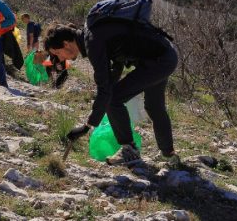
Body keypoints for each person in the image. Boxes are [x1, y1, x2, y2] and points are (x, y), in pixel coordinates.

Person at [44, 21, 179, 166]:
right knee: (154, 106)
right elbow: (117, 64)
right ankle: (169, 155)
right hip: (163, 54)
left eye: (57, 53)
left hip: (159, 60)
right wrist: (107, 90)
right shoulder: (92, 35)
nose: (61, 58)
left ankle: (130, 149)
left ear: (66, 43)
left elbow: (105, 89)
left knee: (114, 98)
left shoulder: (92, 44)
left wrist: (87, 126)